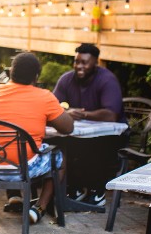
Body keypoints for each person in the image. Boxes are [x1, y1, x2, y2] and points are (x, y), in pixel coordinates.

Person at [0, 52, 74, 224]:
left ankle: (15, 197)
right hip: (21, 170)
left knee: (14, 149)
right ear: (36, 76)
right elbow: (68, 128)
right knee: (58, 157)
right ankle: (39, 207)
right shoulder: (43, 97)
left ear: (10, 72)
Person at [53, 43, 127, 205]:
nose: (79, 66)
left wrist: (82, 114)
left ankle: (97, 190)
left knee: (96, 145)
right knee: (61, 142)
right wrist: (67, 112)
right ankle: (74, 188)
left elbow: (111, 114)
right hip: (78, 133)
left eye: (84, 62)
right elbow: (52, 106)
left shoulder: (107, 80)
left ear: (95, 63)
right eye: (76, 61)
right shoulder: (66, 79)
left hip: (112, 134)